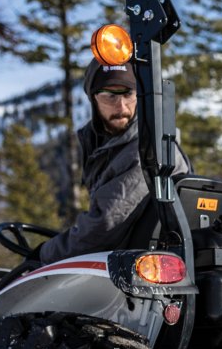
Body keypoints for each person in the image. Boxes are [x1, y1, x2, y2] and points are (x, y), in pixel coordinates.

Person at [38, 59, 191, 263]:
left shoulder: (146, 152)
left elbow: (103, 226)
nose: (121, 106)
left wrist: (44, 254)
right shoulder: (111, 148)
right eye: (110, 96)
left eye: (128, 94)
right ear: (93, 99)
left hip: (144, 272)